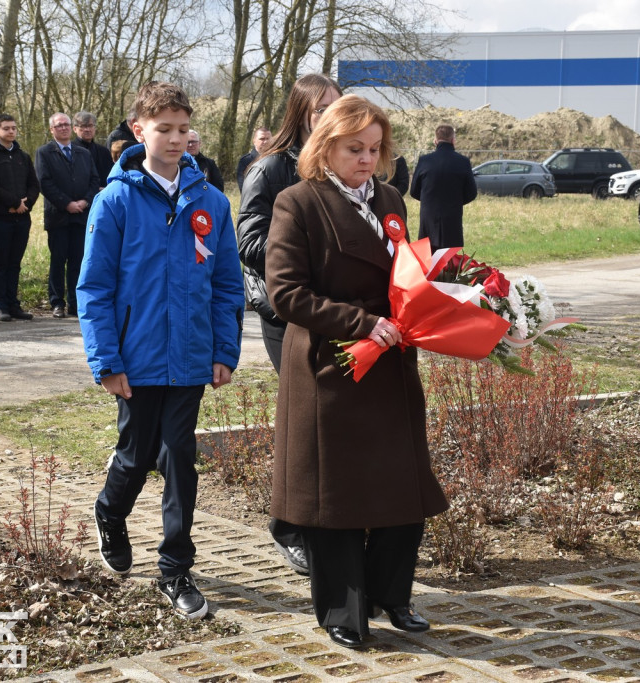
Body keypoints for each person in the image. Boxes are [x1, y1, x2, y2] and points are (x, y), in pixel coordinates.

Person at [265, 94, 447, 649]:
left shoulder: (390, 198)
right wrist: (361, 322)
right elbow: (285, 293)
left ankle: (393, 595)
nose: (367, 159)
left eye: (374, 148)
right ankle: (343, 611)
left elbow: (407, 272)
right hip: (331, 365)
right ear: (326, 147)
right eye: (354, 149)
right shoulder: (298, 202)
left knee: (400, 485)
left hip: (390, 363)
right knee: (336, 497)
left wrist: (444, 303)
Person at [78, 81, 243, 620]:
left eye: (183, 129)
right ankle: (110, 512)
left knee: (179, 457)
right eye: (164, 129)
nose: (176, 139)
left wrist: (224, 349)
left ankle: (175, 567)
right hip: (136, 359)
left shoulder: (212, 202)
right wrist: (106, 361)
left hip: (191, 357)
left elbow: (226, 285)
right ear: (139, 131)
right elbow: (94, 288)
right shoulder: (115, 201)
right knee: (136, 453)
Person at [237, 73, 342, 576]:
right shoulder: (271, 168)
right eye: (321, 109)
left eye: (336, 107)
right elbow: (249, 242)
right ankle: (289, 528)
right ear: (300, 113)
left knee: (332, 420)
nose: (330, 116)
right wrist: (312, 256)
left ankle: (331, 520)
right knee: (303, 420)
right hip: (287, 313)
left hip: (335, 311)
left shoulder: (340, 164)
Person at [37, 112, 99, 318]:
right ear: (51, 130)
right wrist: (66, 203)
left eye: (66, 124)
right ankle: (57, 302)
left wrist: (85, 201)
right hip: (59, 217)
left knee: (78, 261)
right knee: (58, 261)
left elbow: (94, 180)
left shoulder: (83, 153)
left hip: (81, 216)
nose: (63, 128)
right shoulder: (44, 152)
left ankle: (75, 302)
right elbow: (44, 182)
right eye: (59, 125)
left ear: (72, 128)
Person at [0, 113, 40, 322]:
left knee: (15, 263)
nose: (11, 131)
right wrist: (14, 203)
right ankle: (1, 306)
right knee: (0, 263)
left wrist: (25, 205)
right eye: (6, 128)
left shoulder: (23, 156)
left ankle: (13, 304)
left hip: (21, 219)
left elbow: (34, 184)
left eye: (13, 128)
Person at [409, 124, 478, 251]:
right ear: (453, 140)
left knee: (428, 256)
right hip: (452, 218)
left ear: (435, 141)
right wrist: (455, 201)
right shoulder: (463, 161)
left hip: (428, 218)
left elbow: (414, 191)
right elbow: (472, 193)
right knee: (450, 258)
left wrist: (428, 200)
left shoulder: (424, 160)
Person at [72, 111, 113, 189]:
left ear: (95, 128)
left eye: (90, 126)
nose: (87, 129)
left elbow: (110, 175)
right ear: (75, 129)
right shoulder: (69, 150)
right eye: (83, 126)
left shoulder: (104, 151)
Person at [235, 126, 271, 191]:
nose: (265, 141)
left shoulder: (278, 159)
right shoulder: (245, 161)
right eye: (262, 139)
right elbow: (243, 187)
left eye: (268, 139)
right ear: (254, 141)